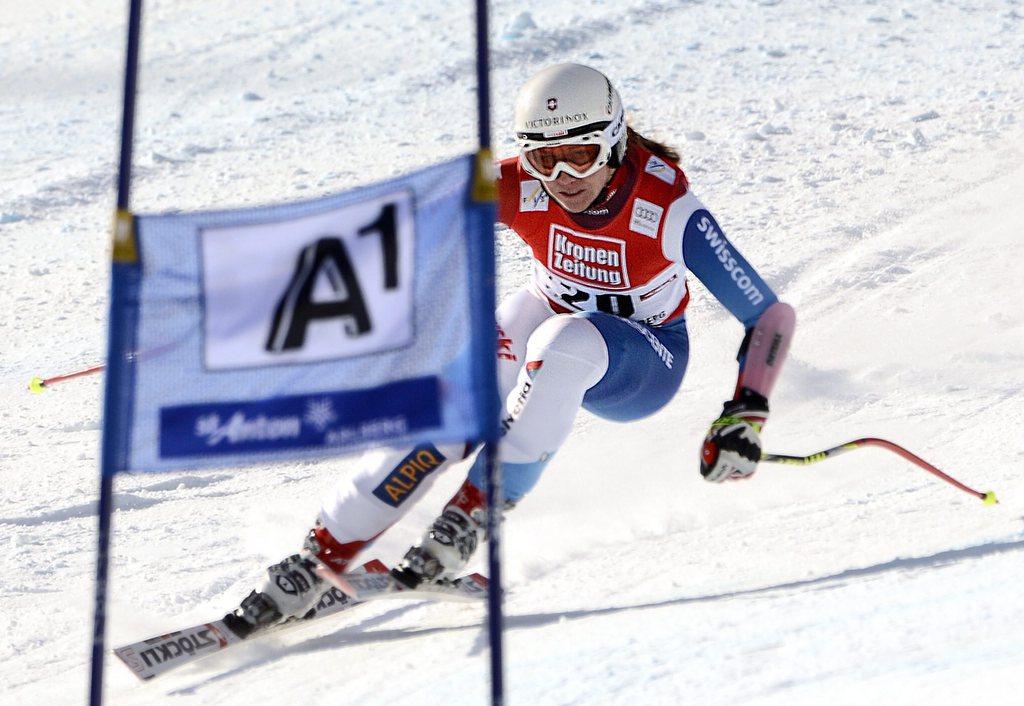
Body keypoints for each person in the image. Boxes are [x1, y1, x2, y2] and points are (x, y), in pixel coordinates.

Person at [230, 63, 796, 631]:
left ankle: (467, 522)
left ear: (615, 142)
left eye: (581, 154)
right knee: (456, 402)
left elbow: (769, 315)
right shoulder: (518, 187)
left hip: (643, 359)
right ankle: (318, 556)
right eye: (544, 160)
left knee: (561, 341)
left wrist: (746, 411)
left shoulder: (668, 207)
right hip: (547, 309)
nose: (565, 177)